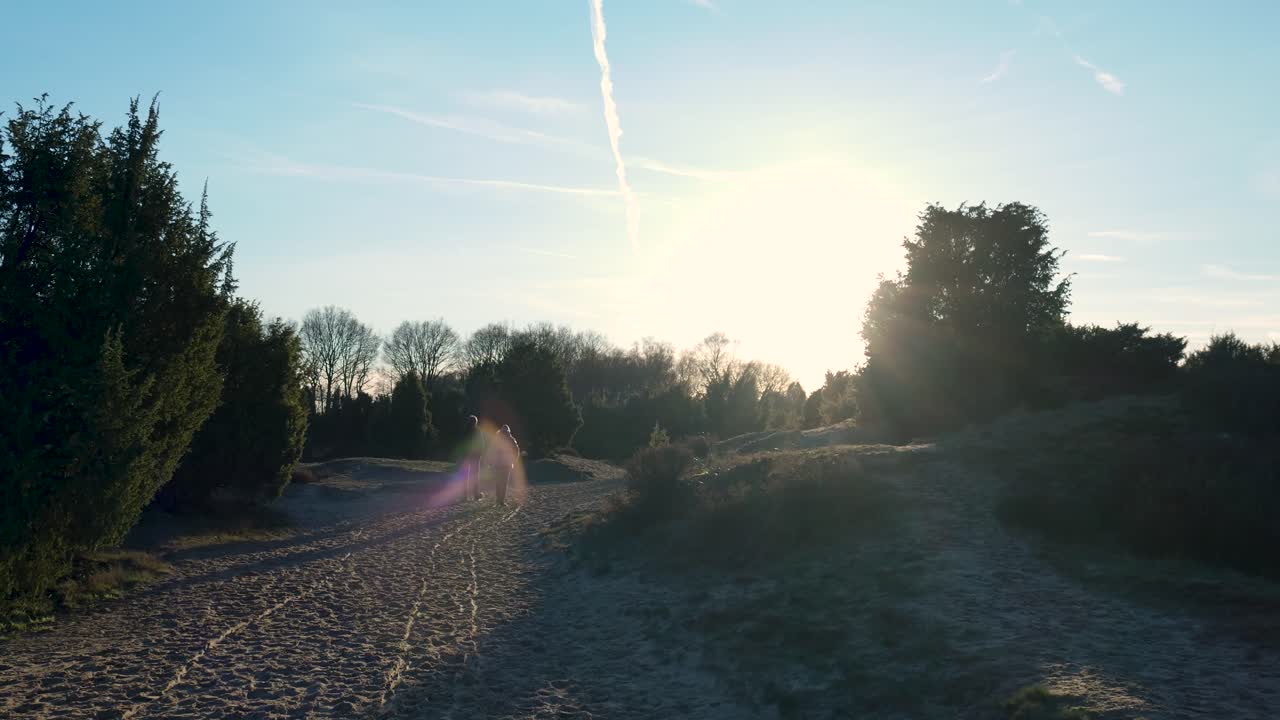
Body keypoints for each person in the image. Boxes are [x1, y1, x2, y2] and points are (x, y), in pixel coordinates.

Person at [486, 424, 519, 506]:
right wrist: (514, 461)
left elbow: (491, 451)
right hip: (507, 464)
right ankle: (501, 501)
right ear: (508, 431)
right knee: (504, 483)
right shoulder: (511, 439)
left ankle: (498, 500)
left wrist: (490, 462)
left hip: (498, 464)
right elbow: (516, 451)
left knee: (498, 482)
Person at [461, 415, 485, 501]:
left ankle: (464, 496)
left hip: (466, 456)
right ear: (476, 422)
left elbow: (462, 443)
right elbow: (481, 444)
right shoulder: (477, 431)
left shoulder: (465, 431)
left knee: (465, 476)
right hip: (475, 457)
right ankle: (476, 495)